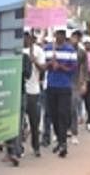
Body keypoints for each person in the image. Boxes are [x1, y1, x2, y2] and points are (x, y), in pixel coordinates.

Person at [43, 29, 78, 157]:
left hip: (64, 86)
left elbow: (73, 69)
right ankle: (60, 139)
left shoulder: (70, 50)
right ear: (55, 35)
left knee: (62, 114)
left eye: (62, 34)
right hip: (51, 86)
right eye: (58, 33)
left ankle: (63, 143)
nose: (60, 36)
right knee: (53, 115)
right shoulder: (47, 49)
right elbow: (42, 67)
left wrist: (60, 66)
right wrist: (49, 63)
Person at [22, 32, 46, 157]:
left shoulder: (38, 51)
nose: (25, 38)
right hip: (20, 90)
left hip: (33, 91)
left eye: (27, 36)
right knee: (18, 121)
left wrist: (34, 61)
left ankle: (36, 146)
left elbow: (43, 69)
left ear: (32, 38)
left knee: (34, 121)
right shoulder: (17, 50)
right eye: (23, 36)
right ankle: (17, 148)